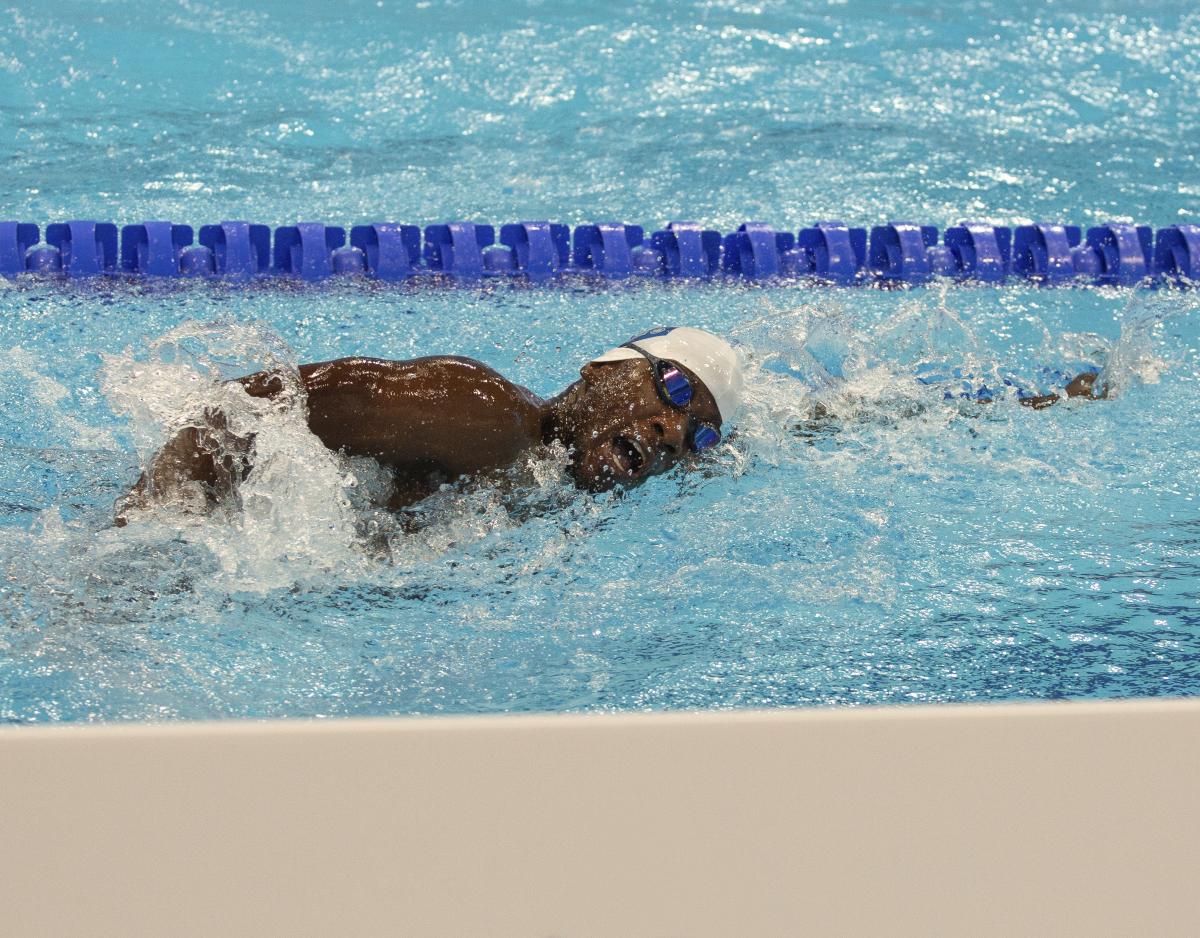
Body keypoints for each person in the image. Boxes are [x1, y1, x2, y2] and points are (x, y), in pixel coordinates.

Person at [114, 326, 744, 524]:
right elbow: (236, 418)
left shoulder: (549, 488)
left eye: (699, 434)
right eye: (674, 386)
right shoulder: (476, 412)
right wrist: (147, 530)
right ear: (599, 369)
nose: (670, 427)